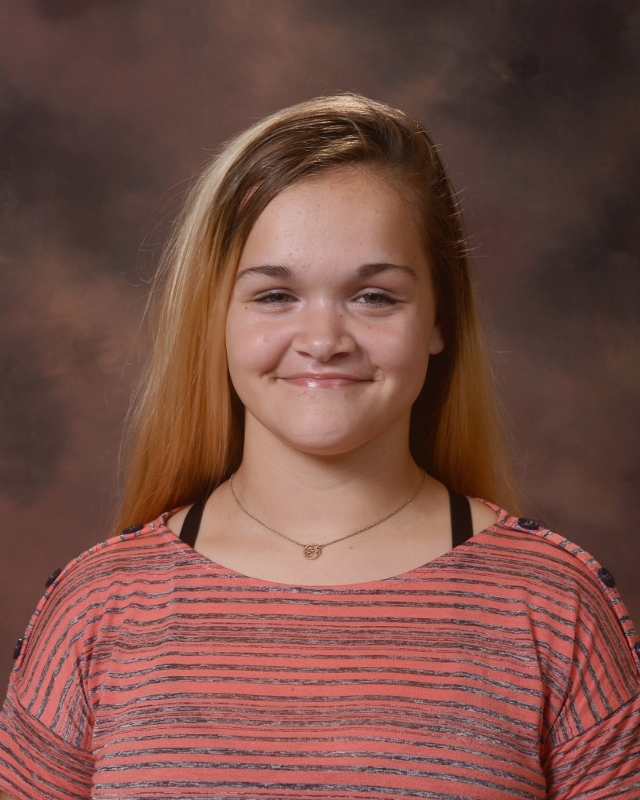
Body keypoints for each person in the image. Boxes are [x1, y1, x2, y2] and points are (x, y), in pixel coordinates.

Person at [0, 93, 638, 800]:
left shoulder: (555, 605)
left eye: (374, 297)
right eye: (275, 296)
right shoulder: (97, 608)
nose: (324, 340)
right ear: (214, 316)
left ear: (440, 319)